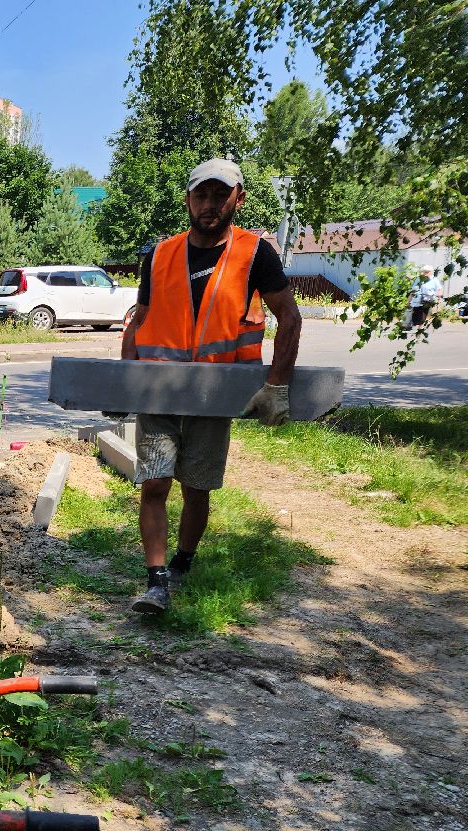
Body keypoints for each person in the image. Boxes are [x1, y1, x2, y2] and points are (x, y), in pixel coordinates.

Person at [119, 158, 303, 615]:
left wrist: (277, 384)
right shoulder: (159, 254)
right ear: (188, 199)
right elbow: (138, 321)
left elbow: (289, 316)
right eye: (201, 195)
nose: (209, 205)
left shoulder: (255, 254)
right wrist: (122, 386)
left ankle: (183, 559)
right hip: (160, 391)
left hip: (215, 395)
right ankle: (156, 580)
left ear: (237, 199)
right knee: (155, 482)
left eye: (220, 196)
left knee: (196, 489)